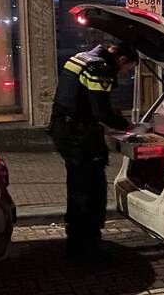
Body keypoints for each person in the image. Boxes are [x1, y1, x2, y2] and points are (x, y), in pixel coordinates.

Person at [49, 42, 138, 261]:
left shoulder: (82, 57)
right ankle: (88, 249)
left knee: (77, 189)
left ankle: (75, 243)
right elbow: (100, 111)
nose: (124, 73)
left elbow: (84, 99)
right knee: (92, 192)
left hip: (64, 131)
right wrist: (128, 127)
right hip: (80, 138)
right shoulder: (100, 68)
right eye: (127, 69)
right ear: (122, 60)